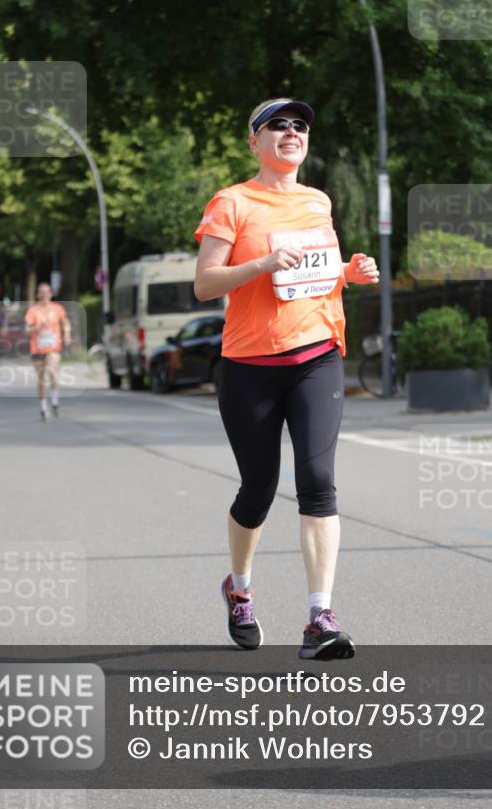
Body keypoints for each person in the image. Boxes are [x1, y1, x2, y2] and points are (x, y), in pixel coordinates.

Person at [194, 98, 379, 660]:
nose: (291, 131)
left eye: (299, 125)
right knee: (258, 488)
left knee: (318, 479)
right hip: (250, 366)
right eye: (277, 125)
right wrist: (261, 265)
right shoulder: (232, 202)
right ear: (255, 142)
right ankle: (240, 588)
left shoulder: (317, 201)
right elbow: (205, 285)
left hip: (317, 355)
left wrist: (350, 273)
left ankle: (319, 617)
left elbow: (318, 276)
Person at [24, 283, 71, 421]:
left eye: (47, 292)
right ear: (38, 295)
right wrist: (36, 328)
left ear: (51, 294)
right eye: (41, 292)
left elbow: (66, 322)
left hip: (53, 347)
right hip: (37, 348)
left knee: (51, 372)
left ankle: (55, 402)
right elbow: (26, 330)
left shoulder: (57, 308)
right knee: (41, 380)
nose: (44, 295)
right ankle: (43, 408)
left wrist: (67, 334)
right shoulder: (33, 310)